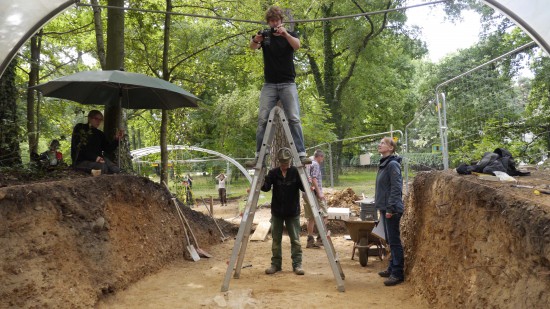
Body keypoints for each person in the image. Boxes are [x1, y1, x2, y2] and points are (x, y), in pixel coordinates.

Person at [248, 6, 310, 166]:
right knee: (262, 119)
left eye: (277, 20)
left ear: (281, 21)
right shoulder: (265, 35)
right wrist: (256, 40)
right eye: (271, 21)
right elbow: (252, 46)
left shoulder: (290, 35)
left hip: (287, 83)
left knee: (294, 118)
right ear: (268, 22)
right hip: (269, 84)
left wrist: (285, 34)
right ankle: (259, 156)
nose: (274, 23)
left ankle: (301, 153)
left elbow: (297, 45)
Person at [261, 147, 305, 275]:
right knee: (276, 240)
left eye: (287, 163)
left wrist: (306, 178)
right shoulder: (274, 173)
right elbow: (266, 188)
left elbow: (303, 188)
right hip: (277, 212)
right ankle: (276, 265)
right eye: (283, 163)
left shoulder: (295, 172)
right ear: (279, 162)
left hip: (293, 212)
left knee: (295, 240)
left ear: (290, 161)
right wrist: (260, 180)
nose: (285, 165)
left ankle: (297, 265)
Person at [374, 137, 405, 286]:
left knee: (394, 241)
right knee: (389, 240)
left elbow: (396, 188)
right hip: (385, 208)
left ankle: (397, 273)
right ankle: (392, 267)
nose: (379, 145)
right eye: (380, 143)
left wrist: (391, 209)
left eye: (383, 143)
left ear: (391, 148)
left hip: (391, 209)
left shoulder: (392, 165)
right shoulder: (384, 164)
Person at [70, 110, 123, 174]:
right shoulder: (80, 128)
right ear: (89, 118)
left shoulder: (100, 134)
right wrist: (95, 158)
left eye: (100, 120)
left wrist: (116, 139)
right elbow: (79, 147)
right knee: (103, 167)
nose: (98, 121)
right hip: (81, 161)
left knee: (115, 169)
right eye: (96, 119)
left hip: (98, 160)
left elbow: (108, 149)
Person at [303, 150, 329, 248]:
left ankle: (310, 241)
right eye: (322, 158)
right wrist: (320, 193)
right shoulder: (316, 164)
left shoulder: (307, 162)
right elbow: (314, 178)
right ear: (320, 157)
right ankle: (320, 239)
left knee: (311, 218)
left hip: (305, 193)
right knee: (325, 215)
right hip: (314, 194)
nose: (322, 161)